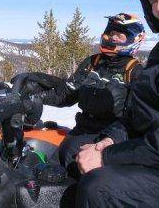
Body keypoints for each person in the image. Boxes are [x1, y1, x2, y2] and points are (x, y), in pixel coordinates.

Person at [74, 0, 159, 207]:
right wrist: (109, 141)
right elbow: (143, 115)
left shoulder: (134, 66)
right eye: (152, 1)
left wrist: (108, 157)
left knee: (99, 188)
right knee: (73, 152)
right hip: (153, 154)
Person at [11, 13, 145, 179]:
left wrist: (110, 141)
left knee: (83, 181)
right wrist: (37, 96)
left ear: (133, 39)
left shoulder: (135, 72)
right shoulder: (92, 63)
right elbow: (67, 93)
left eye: (119, 35)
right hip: (80, 131)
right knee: (46, 172)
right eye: (110, 33)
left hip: (108, 139)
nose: (112, 38)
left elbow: (134, 119)